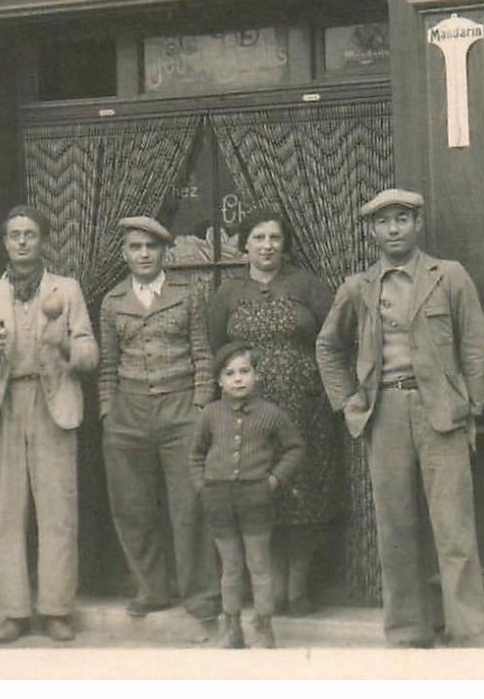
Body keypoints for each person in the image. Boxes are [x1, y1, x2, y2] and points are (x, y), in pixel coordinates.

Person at [315, 188, 484, 648]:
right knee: (395, 527)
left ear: (418, 224)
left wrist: (469, 404)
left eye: (401, 219)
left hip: (441, 414)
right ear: (371, 231)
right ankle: (406, 631)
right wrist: (349, 403)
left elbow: (478, 344)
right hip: (385, 414)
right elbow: (327, 346)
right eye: (383, 222)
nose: (393, 229)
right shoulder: (359, 287)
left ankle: (468, 631)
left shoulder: (449, 276)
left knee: (454, 528)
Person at [0, 205, 98, 644]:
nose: (22, 241)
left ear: (44, 241)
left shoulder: (67, 289)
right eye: (14, 235)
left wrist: (63, 344)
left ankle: (57, 609)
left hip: (54, 402)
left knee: (57, 513)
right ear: (4, 243)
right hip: (4, 405)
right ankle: (13, 612)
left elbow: (90, 354)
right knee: (8, 513)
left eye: (30, 234)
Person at [205, 209, 338, 616]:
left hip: (305, 407)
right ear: (244, 245)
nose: (267, 246)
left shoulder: (307, 286)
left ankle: (297, 589)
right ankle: (270, 587)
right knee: (259, 491)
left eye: (275, 238)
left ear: (285, 244)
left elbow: (334, 338)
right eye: (258, 238)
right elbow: (216, 350)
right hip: (249, 411)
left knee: (304, 493)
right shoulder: (228, 294)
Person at [97, 215, 223, 641]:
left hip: (181, 406)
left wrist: (201, 403)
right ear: (125, 254)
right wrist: (108, 413)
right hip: (128, 412)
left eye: (151, 247)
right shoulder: (113, 301)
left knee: (190, 504)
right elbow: (108, 366)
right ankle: (151, 588)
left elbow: (204, 354)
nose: (144, 254)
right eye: (135, 247)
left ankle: (201, 593)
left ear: (164, 252)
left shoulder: (189, 295)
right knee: (132, 506)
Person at [189, 342, 305, 649]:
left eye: (244, 371)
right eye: (230, 373)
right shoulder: (210, 414)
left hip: (256, 499)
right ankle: (232, 627)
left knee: (259, 564)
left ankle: (263, 627)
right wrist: (203, 486)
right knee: (230, 566)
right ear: (219, 381)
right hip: (219, 499)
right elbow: (196, 454)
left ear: (256, 375)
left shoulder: (271, 414)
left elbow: (295, 448)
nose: (238, 379)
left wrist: (274, 480)